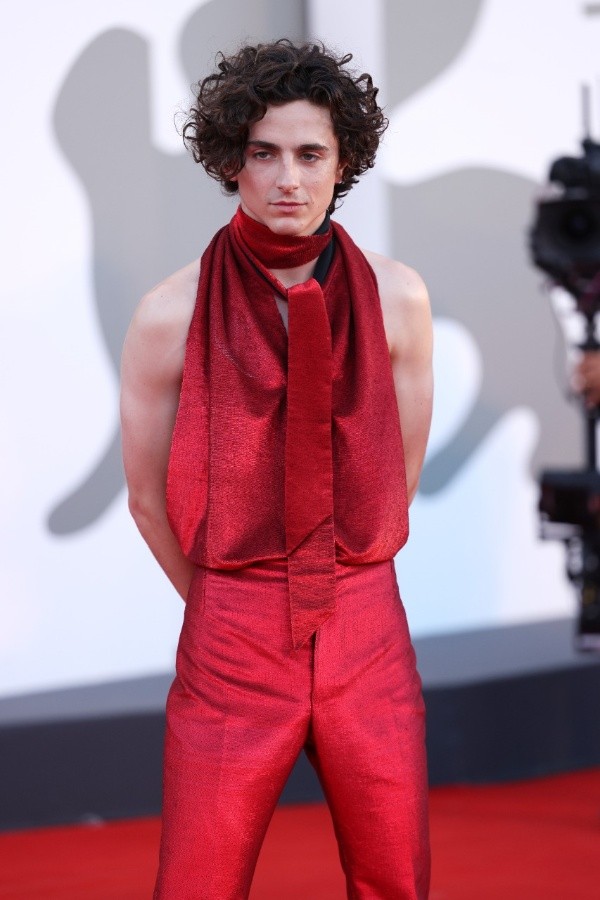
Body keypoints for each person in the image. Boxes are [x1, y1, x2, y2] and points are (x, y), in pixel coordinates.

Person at [120, 39, 433, 900]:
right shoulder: (169, 312)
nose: (288, 179)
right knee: (198, 884)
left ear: (344, 163)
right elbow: (146, 497)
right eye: (264, 154)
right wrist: (230, 605)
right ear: (232, 161)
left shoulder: (399, 298)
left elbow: (398, 472)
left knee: (395, 879)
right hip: (234, 631)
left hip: (366, 624)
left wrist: (337, 578)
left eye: (310, 154)